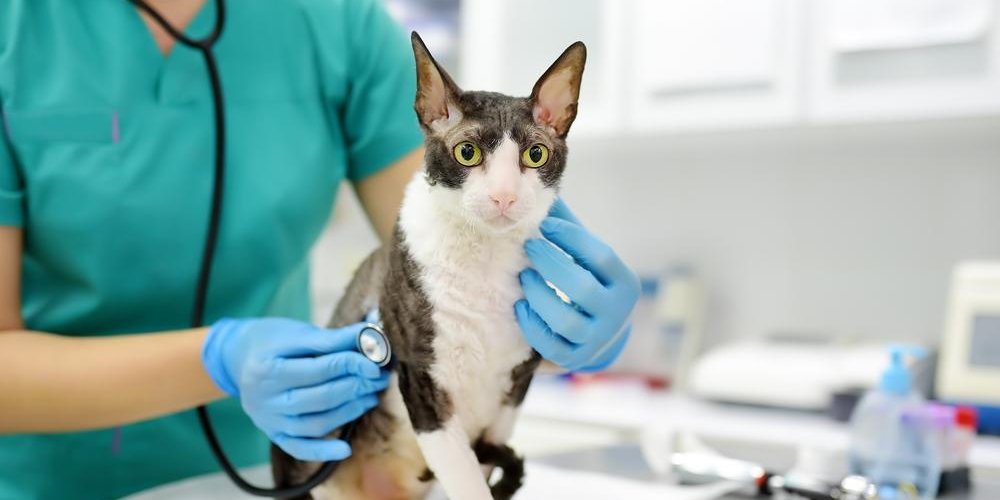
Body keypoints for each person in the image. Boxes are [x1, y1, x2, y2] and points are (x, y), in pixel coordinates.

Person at [0, 0, 640, 498]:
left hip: (294, 458)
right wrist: (216, 358)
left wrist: (571, 317)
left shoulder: (335, 22)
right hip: (51, 476)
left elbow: (451, 253)